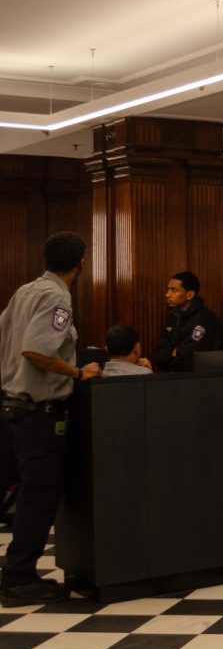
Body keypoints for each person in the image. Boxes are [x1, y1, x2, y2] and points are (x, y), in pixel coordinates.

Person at [0, 231, 102, 606]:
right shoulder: (57, 297)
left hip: (13, 405)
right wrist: (78, 373)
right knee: (40, 494)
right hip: (37, 411)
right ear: (81, 262)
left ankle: (17, 571)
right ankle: (19, 577)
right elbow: (35, 349)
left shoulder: (24, 291)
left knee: (33, 490)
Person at [149, 271, 223, 372]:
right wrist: (172, 353)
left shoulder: (203, 319)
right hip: (174, 377)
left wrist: (172, 353)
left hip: (201, 379)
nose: (167, 294)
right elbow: (157, 355)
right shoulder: (173, 317)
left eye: (174, 290)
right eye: (168, 289)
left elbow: (187, 359)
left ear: (189, 295)